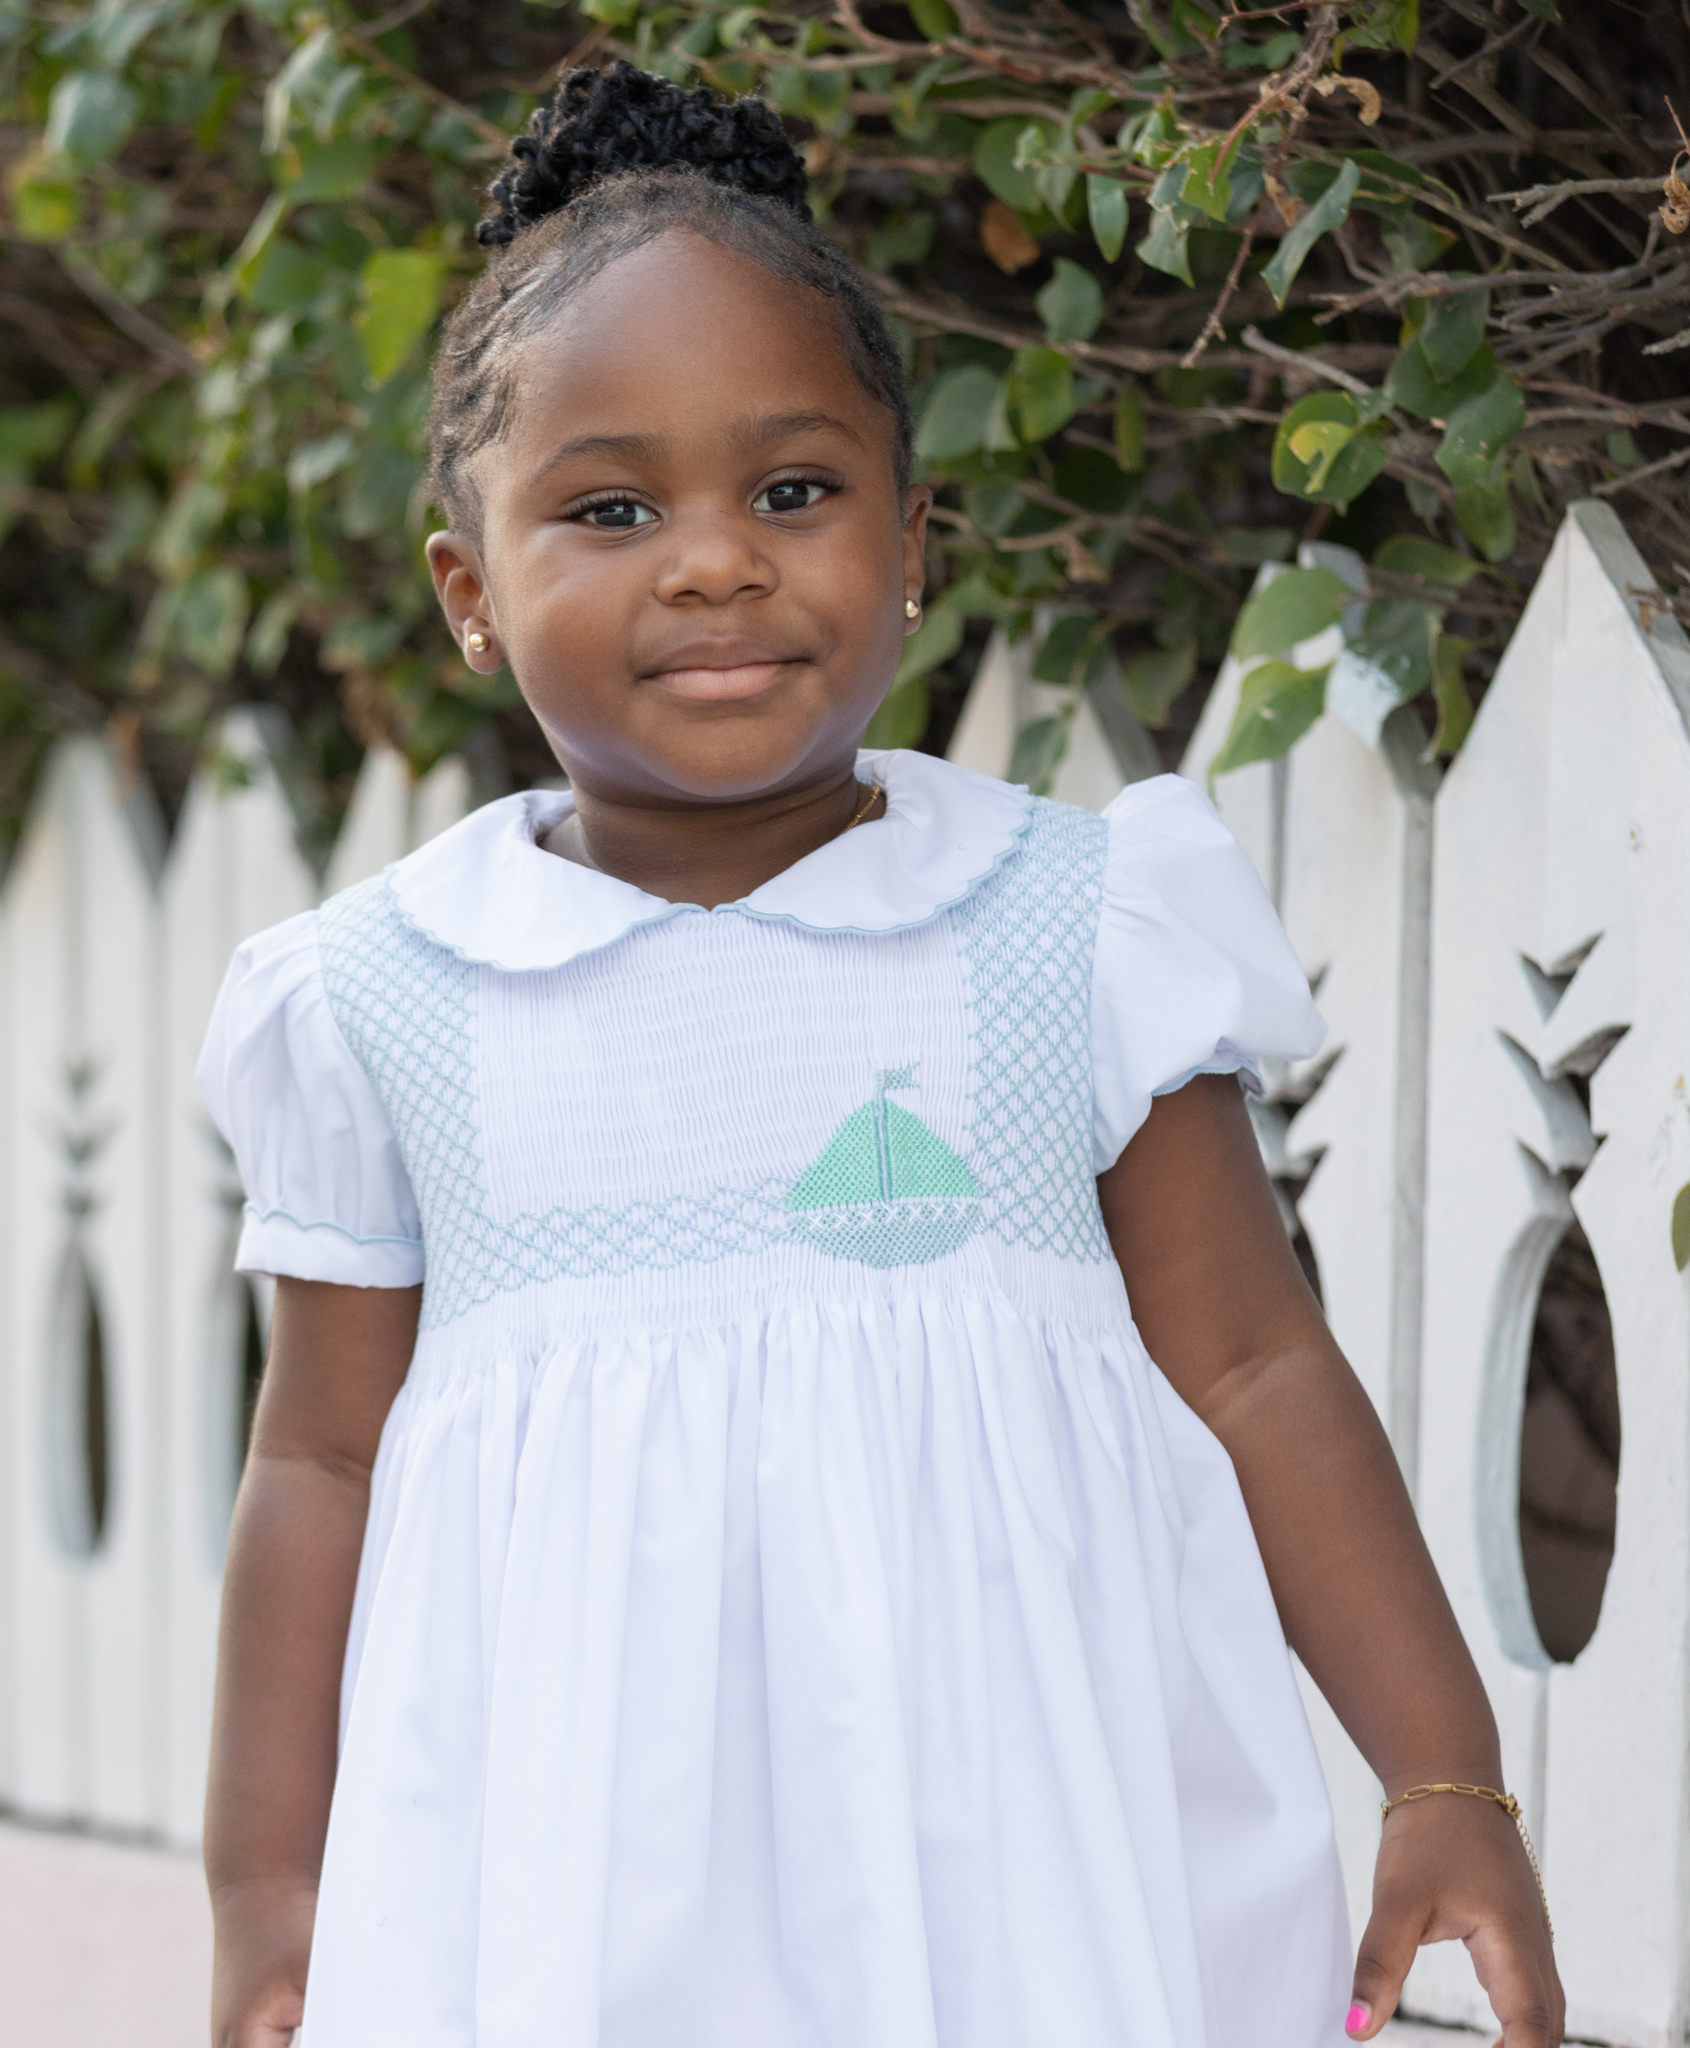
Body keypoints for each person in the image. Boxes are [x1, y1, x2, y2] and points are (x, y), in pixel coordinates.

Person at [195, 62, 1561, 2048]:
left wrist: (1442, 1777)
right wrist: (269, 1893)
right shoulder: (385, 998)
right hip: (581, 1896)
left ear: (911, 537)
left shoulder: (1067, 927)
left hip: (1033, 1870)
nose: (713, 563)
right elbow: (316, 1463)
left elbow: (1257, 1368)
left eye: (793, 491)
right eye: (610, 508)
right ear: (469, 591)